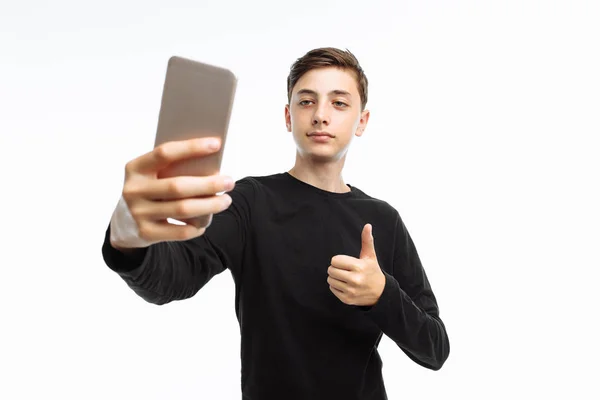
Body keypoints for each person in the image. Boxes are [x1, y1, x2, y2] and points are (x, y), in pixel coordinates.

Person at [102, 47, 450, 400]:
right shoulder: (249, 201)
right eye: (306, 101)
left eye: (339, 103)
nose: (320, 116)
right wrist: (127, 242)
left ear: (362, 121)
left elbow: (435, 348)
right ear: (288, 116)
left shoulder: (383, 220)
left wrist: (382, 294)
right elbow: (171, 279)